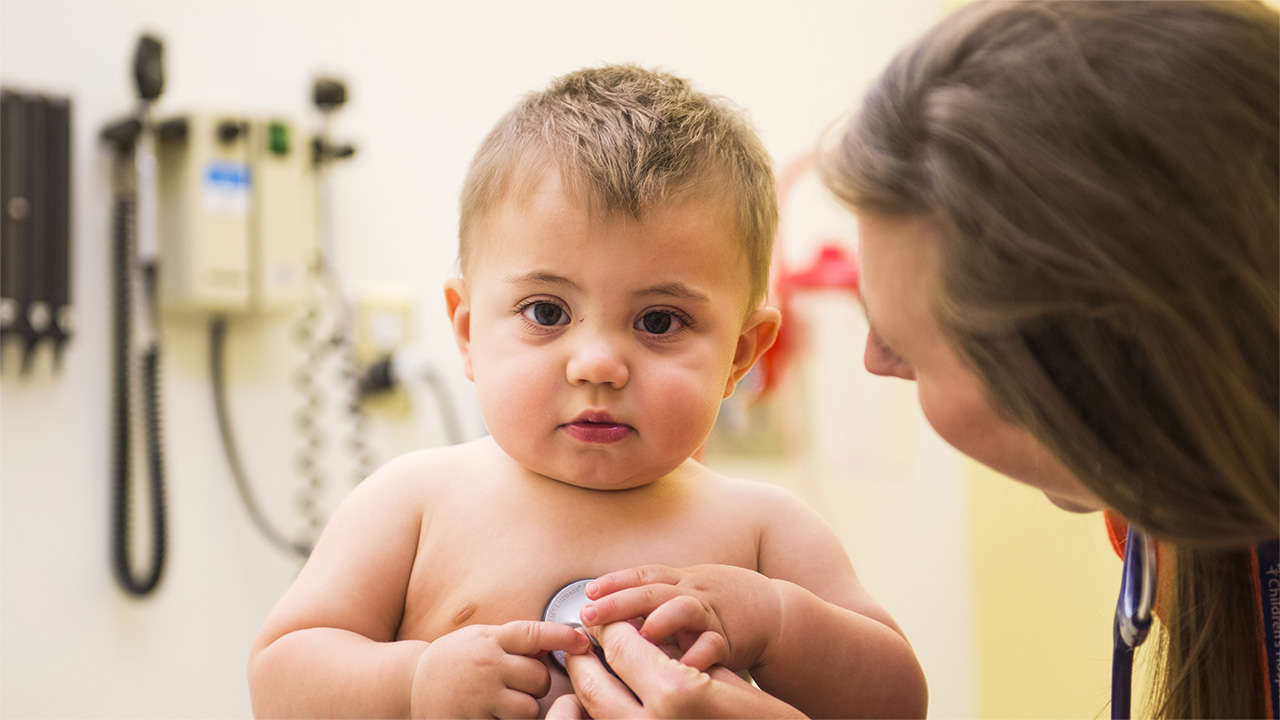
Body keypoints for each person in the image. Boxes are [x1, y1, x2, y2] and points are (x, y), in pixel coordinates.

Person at [549, 2, 1280, 719]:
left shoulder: (763, 528)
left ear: (1094, 359)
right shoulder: (1175, 521)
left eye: (906, 341)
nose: (874, 362)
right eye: (546, 312)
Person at [247, 64, 928, 719]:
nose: (597, 365)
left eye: (659, 321)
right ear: (467, 330)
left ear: (740, 355)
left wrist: (780, 623)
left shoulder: (768, 531)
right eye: (547, 312)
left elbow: (899, 702)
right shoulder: (412, 503)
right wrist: (416, 683)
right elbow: (281, 677)